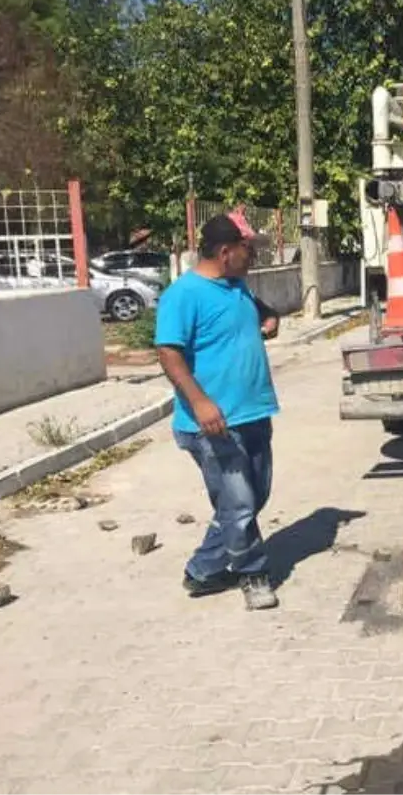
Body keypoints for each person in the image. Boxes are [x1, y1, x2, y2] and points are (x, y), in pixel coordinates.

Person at [155, 213, 282, 611]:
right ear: (226, 252)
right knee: (239, 504)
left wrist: (269, 316)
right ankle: (253, 574)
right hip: (213, 423)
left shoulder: (235, 285)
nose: (254, 256)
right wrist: (200, 401)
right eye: (249, 250)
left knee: (251, 498)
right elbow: (168, 353)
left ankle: (204, 570)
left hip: (253, 412)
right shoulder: (184, 295)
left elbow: (253, 307)